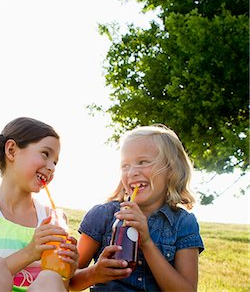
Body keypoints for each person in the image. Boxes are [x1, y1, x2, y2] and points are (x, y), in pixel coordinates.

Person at [69, 124, 204, 291]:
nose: (132, 172)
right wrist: (95, 273)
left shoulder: (183, 223)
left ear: (171, 169)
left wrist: (146, 243)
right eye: (125, 166)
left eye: (143, 162)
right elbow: (68, 281)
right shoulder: (103, 215)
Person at [0, 117, 79, 292]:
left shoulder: (53, 218)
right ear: (12, 150)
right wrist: (29, 253)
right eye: (45, 154)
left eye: (55, 162)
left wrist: (66, 271)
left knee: (50, 279)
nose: (51, 167)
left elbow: (58, 286)